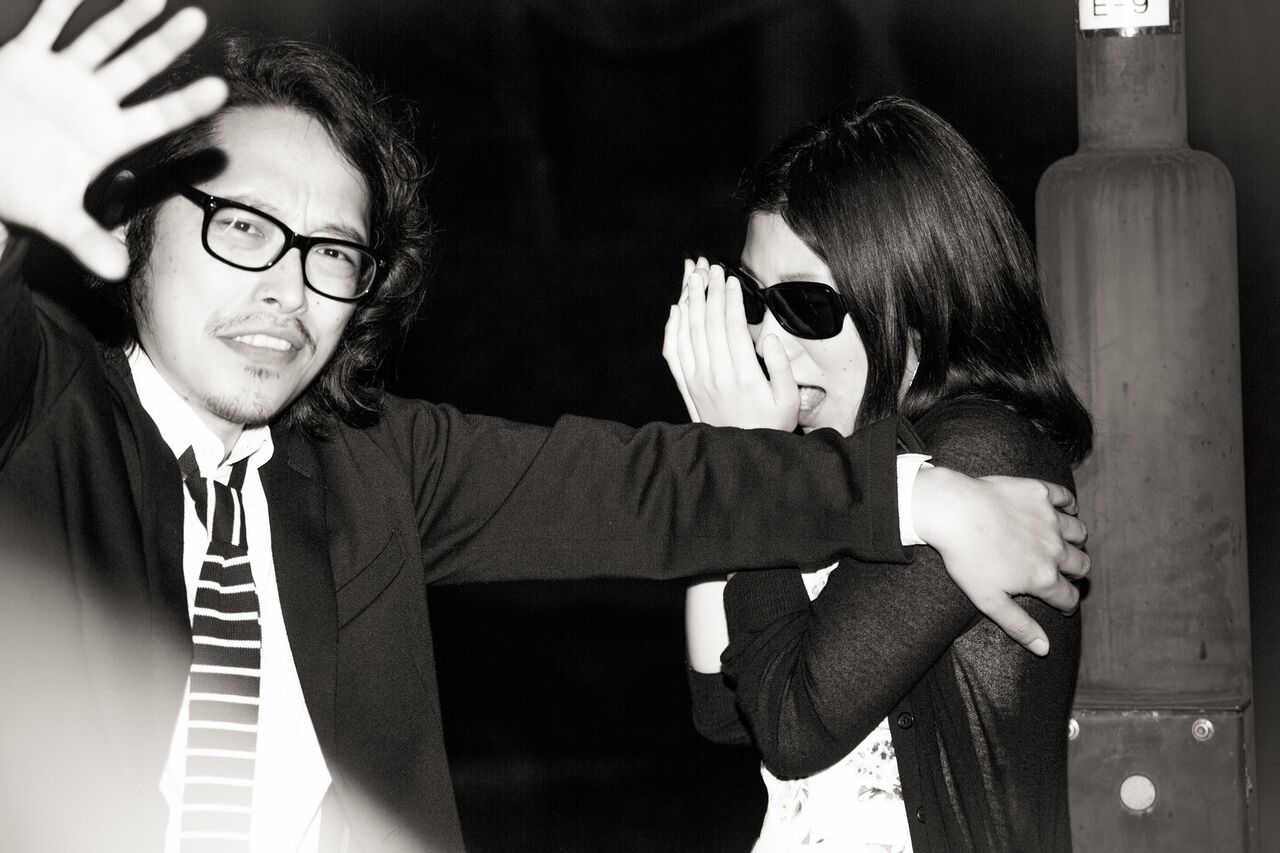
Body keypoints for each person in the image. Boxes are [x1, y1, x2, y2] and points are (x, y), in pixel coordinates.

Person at [0, 3, 1086, 851]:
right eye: (242, 228)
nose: (286, 289)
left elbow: (640, 490)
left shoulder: (368, 467)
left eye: (331, 252)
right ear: (135, 227)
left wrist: (908, 492)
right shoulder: (45, 414)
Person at [669, 97, 1091, 852]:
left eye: (806, 305)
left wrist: (751, 458)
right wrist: (726, 460)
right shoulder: (847, 473)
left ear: (915, 303)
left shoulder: (981, 453)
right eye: (753, 300)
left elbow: (794, 728)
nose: (767, 341)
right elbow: (723, 706)